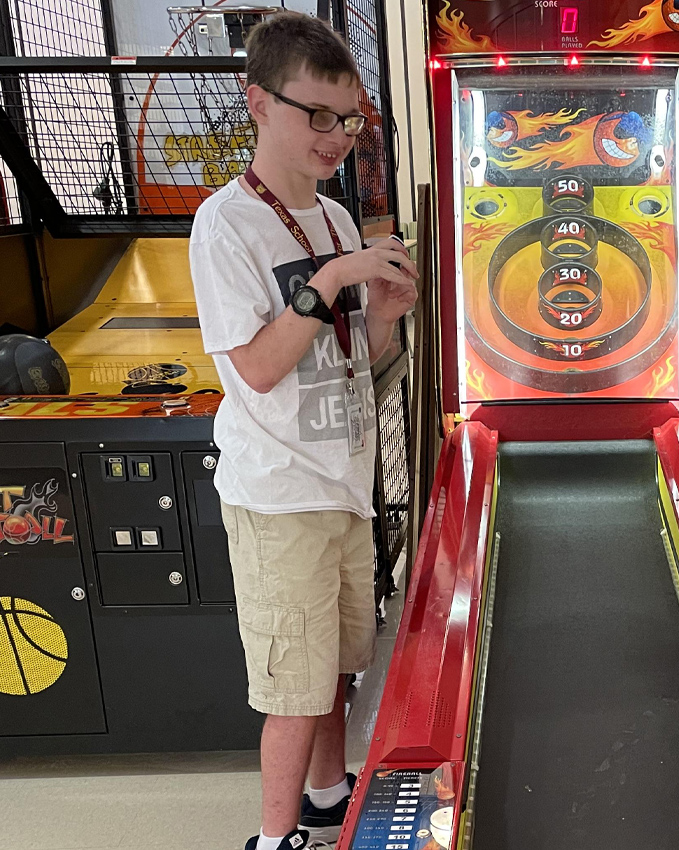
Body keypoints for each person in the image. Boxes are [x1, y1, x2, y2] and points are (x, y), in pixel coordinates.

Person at [189, 12, 417, 850]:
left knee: (336, 669)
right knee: (292, 688)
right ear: (258, 102)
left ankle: (327, 795)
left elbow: (356, 362)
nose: (337, 137)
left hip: (344, 482)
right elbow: (254, 366)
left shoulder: (333, 218)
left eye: (348, 118)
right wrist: (329, 279)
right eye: (316, 115)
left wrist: (384, 315)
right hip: (278, 495)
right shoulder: (225, 225)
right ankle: (275, 836)